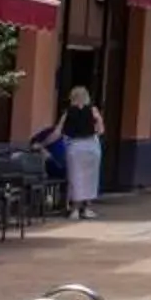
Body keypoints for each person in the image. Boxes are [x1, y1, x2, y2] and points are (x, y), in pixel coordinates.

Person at [59, 87, 103, 220]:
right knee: (90, 178)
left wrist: (43, 143)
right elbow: (100, 130)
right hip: (91, 146)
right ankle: (87, 208)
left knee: (75, 178)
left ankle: (75, 210)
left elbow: (58, 131)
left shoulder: (68, 112)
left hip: (75, 147)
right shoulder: (93, 110)